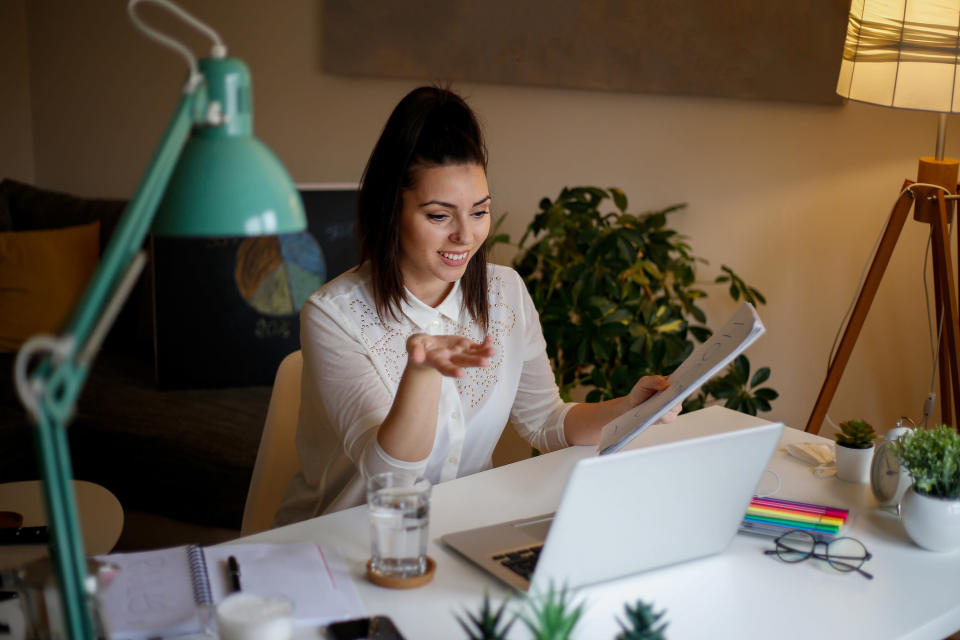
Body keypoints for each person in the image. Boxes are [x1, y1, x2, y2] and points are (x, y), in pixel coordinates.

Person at [273, 86, 677, 525]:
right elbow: (387, 478)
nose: (465, 236)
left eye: (479, 212)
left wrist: (634, 409)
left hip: (457, 533)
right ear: (391, 211)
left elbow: (546, 421)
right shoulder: (334, 314)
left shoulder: (505, 293)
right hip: (344, 542)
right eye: (439, 216)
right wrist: (422, 373)